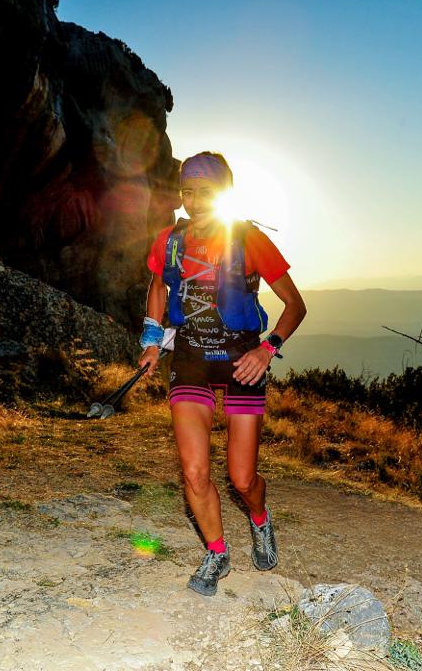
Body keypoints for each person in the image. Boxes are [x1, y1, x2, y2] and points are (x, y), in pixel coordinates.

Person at [138, 151, 307, 596]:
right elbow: (159, 286)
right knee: (194, 473)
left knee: (242, 479)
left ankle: (259, 517)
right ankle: (217, 552)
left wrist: (268, 349)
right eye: (187, 192)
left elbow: (296, 305)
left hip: (241, 364)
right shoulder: (170, 240)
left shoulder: (248, 240)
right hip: (191, 359)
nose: (194, 201)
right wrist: (151, 340)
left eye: (206, 192)